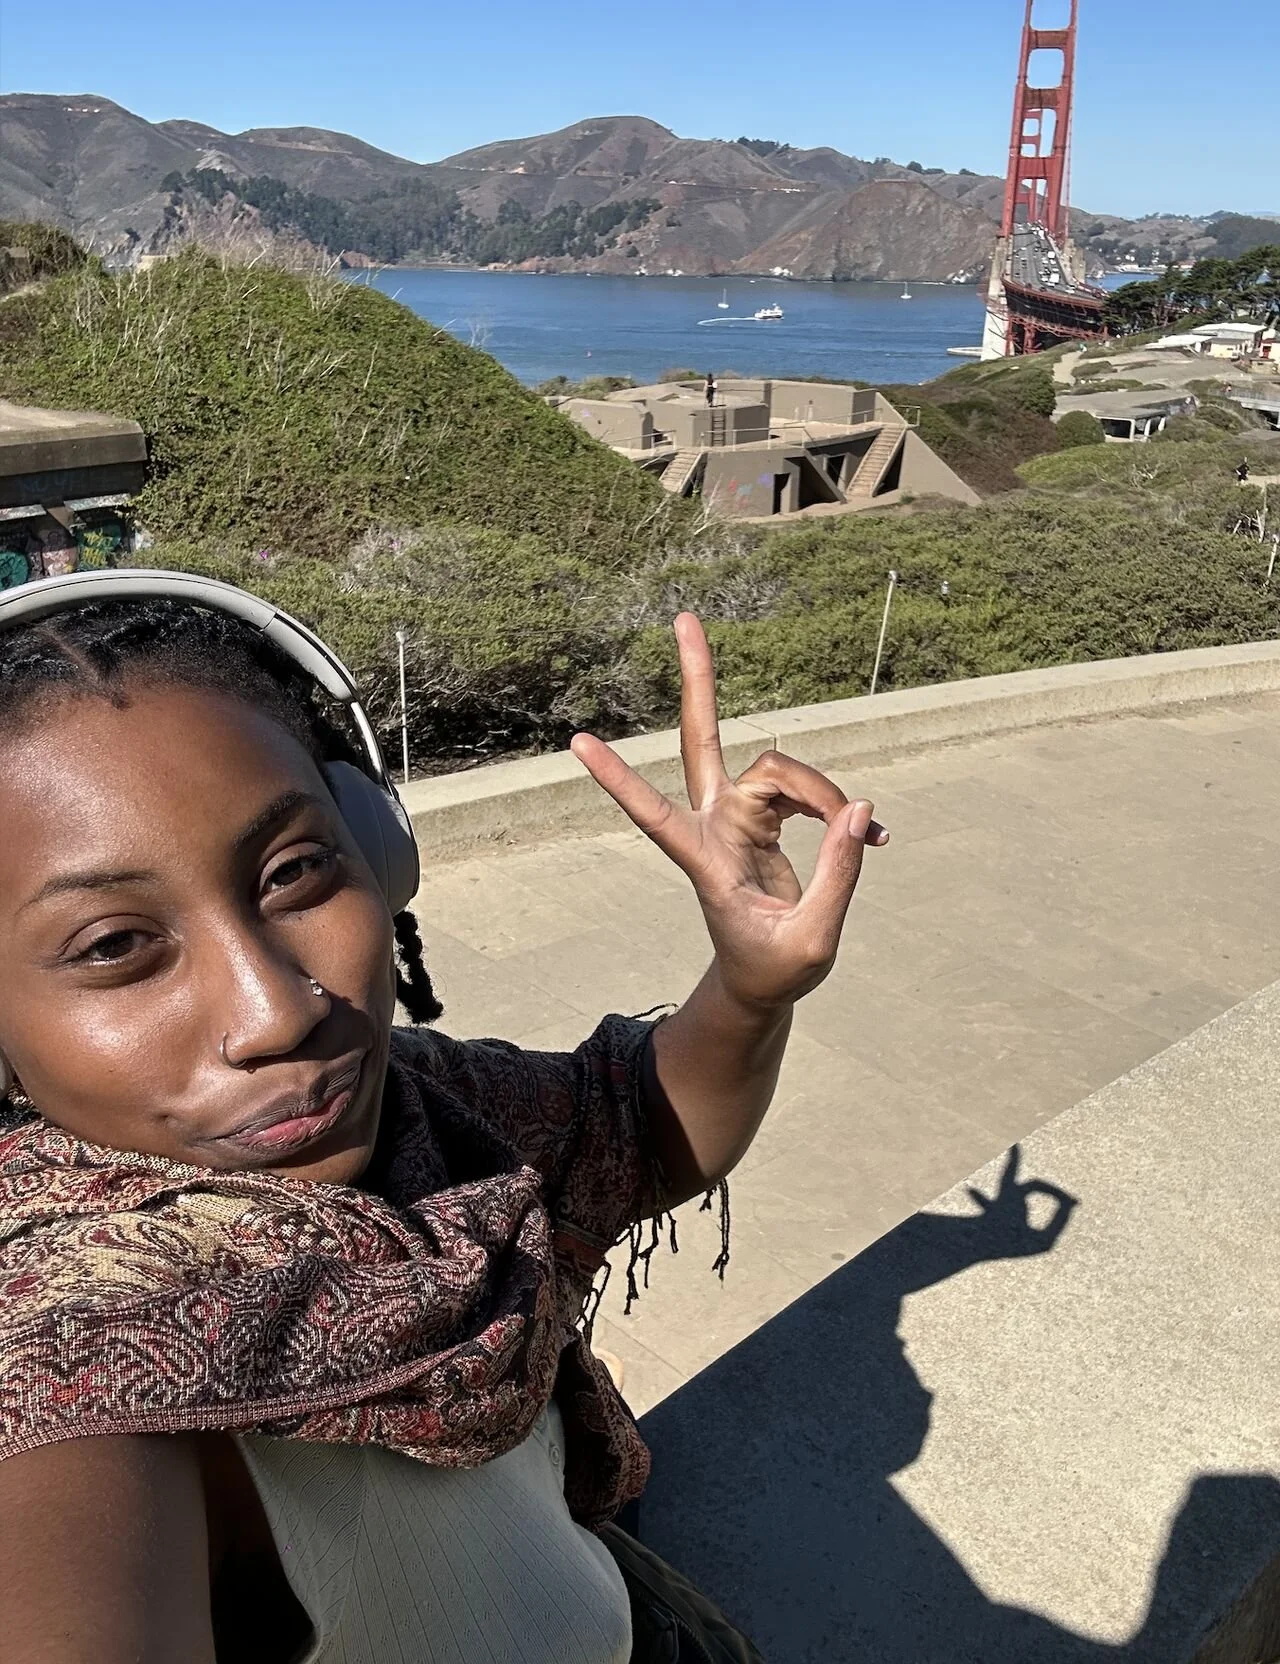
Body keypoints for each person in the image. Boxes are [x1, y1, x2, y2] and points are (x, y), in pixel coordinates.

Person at [0, 570, 886, 1663]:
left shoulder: (429, 1105)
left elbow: (638, 1128)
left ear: (376, 855)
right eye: (112, 945)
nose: (277, 1010)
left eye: (293, 871)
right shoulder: (67, 1358)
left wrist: (748, 987)